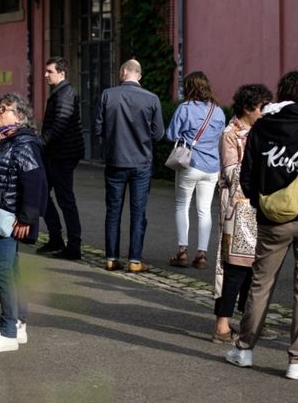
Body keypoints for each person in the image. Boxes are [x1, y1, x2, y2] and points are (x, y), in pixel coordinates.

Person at [226, 70, 298, 380]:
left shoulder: (261, 130)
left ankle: (245, 349)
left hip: (271, 221)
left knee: (261, 285)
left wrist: (260, 202)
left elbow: (246, 176)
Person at [0, 93, 48, 353]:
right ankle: (18, 324)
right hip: (1, 214)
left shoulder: (24, 143)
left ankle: (7, 332)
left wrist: (27, 217)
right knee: (13, 270)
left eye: (4, 109)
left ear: (19, 117)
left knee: (2, 269)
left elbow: (36, 181)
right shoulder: (2, 140)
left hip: (10, 217)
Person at [212, 83, 272, 342]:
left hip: (256, 206)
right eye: (262, 107)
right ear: (248, 108)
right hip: (237, 209)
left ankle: (251, 320)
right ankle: (222, 327)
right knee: (234, 267)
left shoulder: (259, 131)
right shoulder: (230, 134)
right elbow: (230, 172)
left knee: (255, 267)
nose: (265, 112)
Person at [95, 59, 164, 273]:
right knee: (138, 211)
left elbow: (98, 127)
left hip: (115, 160)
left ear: (124, 72)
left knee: (113, 210)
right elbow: (159, 133)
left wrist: (111, 141)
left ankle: (111, 258)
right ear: (139, 76)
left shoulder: (108, 95)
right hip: (141, 162)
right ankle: (134, 259)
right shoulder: (152, 99)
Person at [166, 72, 226, 269]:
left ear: (189, 87)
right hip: (212, 167)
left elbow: (171, 134)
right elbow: (221, 139)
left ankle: (182, 251)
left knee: (181, 205)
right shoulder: (218, 112)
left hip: (190, 164)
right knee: (204, 210)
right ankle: (202, 254)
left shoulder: (185, 108)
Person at [37, 57, 85, 260]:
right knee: (42, 193)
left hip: (63, 154)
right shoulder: (60, 93)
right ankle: (56, 237)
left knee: (66, 199)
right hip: (56, 154)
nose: (46, 75)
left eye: (50, 71)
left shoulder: (65, 94)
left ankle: (74, 245)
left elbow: (60, 124)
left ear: (62, 73)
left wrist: (41, 141)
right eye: (46, 71)